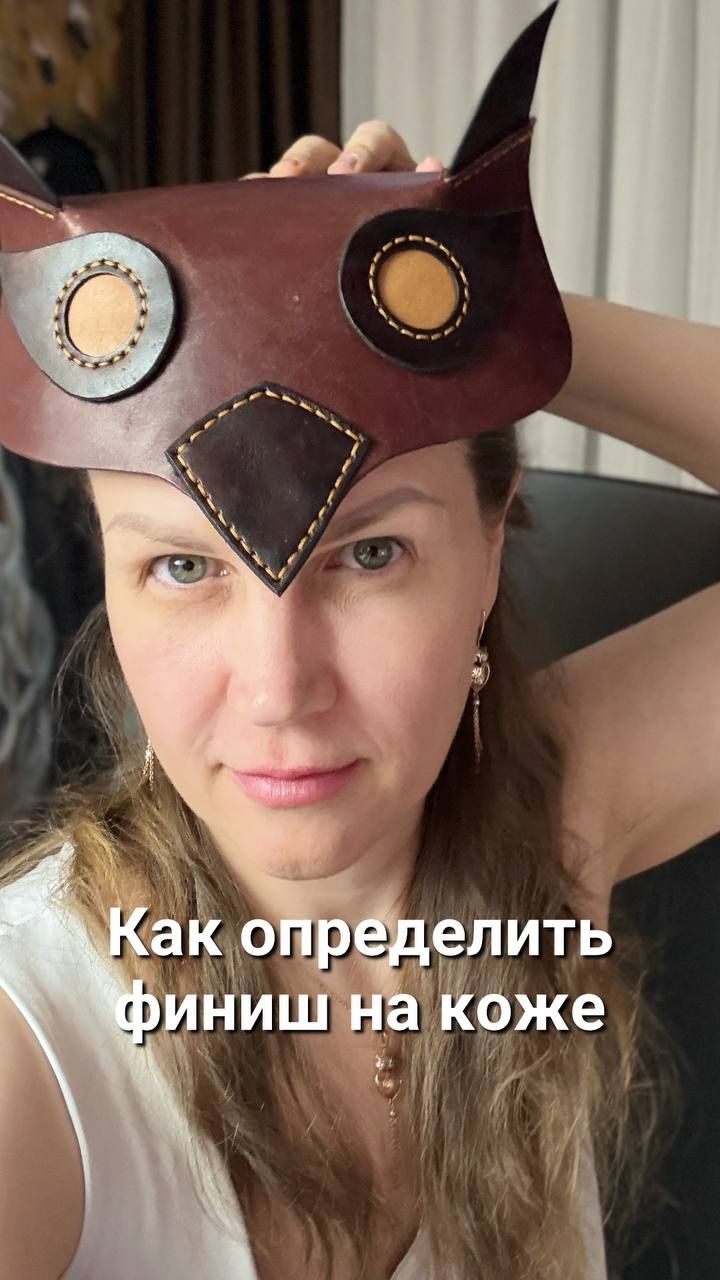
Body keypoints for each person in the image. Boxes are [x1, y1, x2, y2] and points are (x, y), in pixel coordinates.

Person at [1, 8, 719, 1279]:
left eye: (371, 554)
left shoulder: (546, 830)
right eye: (183, 567)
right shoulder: (33, 1045)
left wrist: (488, 293)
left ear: (490, 543)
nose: (280, 690)